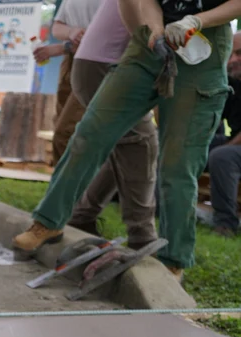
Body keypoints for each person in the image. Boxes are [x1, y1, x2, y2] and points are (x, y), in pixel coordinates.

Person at [13, 0, 241, 280]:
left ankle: (173, 260)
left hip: (202, 50)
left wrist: (197, 21)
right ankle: (48, 222)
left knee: (177, 164)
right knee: (90, 133)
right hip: (149, 44)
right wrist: (155, 27)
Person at [37, 0, 160, 247]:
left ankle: (80, 216)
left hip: (103, 60)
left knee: (123, 143)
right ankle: (141, 236)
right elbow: (139, 23)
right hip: (107, 62)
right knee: (139, 143)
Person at [33, 0, 105, 162]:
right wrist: (71, 32)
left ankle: (71, 185)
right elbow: (58, 27)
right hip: (71, 62)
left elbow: (107, 36)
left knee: (66, 132)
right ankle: (65, 184)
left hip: (96, 63)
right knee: (61, 126)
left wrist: (62, 47)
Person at [205, 31, 241, 238]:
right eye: (231, 53)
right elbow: (214, 117)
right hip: (234, 144)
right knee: (190, 145)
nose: (234, 59)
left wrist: (225, 147)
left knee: (222, 156)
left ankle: (226, 224)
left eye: (240, 53)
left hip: (234, 149)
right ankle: (160, 207)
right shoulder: (233, 84)